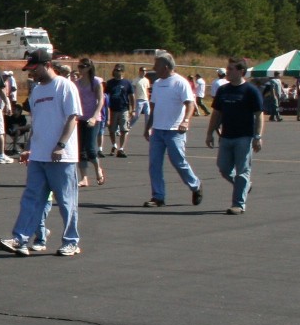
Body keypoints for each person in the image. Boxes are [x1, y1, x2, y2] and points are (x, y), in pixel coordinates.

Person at [0, 49, 83, 256]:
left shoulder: (65, 86)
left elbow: (73, 117)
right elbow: (37, 123)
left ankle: (71, 241)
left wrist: (61, 145)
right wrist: (29, 148)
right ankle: (20, 239)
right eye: (29, 70)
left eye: (34, 69)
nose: (31, 74)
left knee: (66, 201)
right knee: (32, 198)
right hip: (39, 156)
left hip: (62, 157)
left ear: (47, 65)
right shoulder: (36, 91)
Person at [204, 57, 265, 214]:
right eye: (227, 68)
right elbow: (216, 113)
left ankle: (238, 204)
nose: (227, 71)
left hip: (244, 137)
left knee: (242, 170)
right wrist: (210, 132)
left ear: (241, 71)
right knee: (223, 168)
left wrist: (257, 136)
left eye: (231, 69)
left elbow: (259, 115)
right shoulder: (223, 90)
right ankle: (245, 185)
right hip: (226, 136)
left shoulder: (251, 91)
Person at [144, 52, 202, 207]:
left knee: (178, 162)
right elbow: (153, 106)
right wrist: (148, 126)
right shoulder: (156, 84)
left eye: (157, 66)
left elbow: (189, 104)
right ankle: (158, 196)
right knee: (154, 164)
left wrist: (186, 121)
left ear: (166, 66)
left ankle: (195, 185)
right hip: (158, 130)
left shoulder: (180, 82)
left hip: (175, 130)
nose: (154, 69)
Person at [75, 58, 107, 188]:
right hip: (80, 118)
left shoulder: (96, 82)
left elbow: (100, 101)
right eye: (79, 66)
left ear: (88, 67)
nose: (80, 69)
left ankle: (98, 169)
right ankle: (84, 178)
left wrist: (94, 117)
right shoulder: (76, 83)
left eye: (82, 66)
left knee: (90, 148)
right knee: (80, 149)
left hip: (93, 118)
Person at [104, 63, 134, 157]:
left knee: (124, 129)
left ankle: (121, 149)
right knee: (112, 129)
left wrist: (133, 109)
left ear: (123, 71)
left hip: (123, 109)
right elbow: (105, 96)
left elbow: (131, 96)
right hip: (112, 109)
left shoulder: (127, 83)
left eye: (119, 70)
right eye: (116, 70)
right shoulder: (110, 83)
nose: (117, 72)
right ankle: (114, 145)